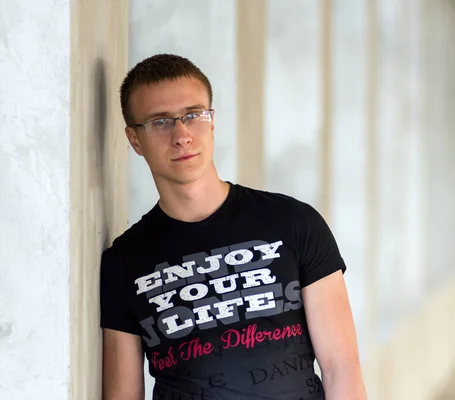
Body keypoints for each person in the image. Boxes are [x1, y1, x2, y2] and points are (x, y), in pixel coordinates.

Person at [100, 53, 367, 400]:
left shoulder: (293, 224)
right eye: (160, 122)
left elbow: (341, 370)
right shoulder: (125, 260)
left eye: (193, 115)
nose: (182, 135)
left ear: (211, 123)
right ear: (135, 140)